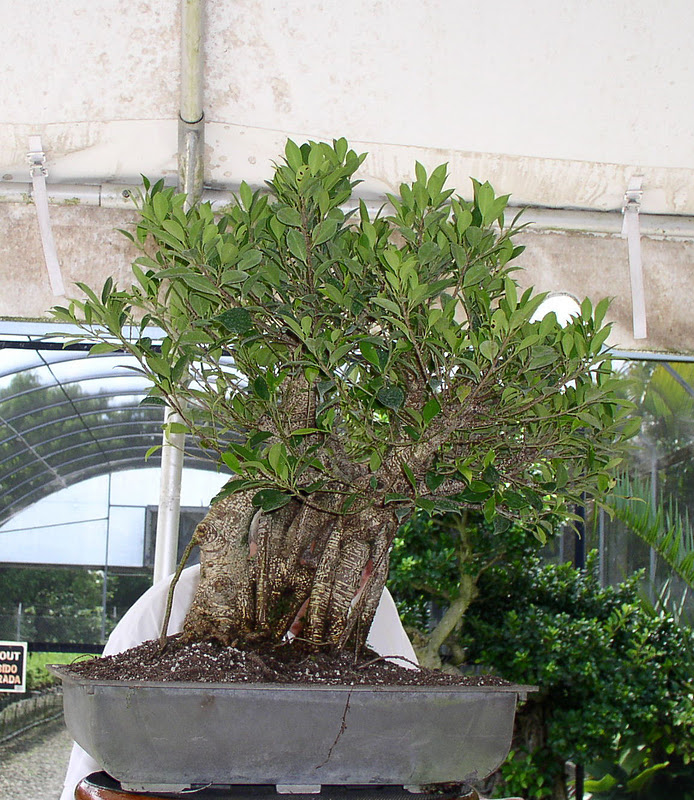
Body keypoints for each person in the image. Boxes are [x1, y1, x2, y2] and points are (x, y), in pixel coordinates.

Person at [60, 564, 418, 800]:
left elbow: (414, 736)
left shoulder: (373, 605)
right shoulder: (169, 607)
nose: (334, 594)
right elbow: (94, 771)